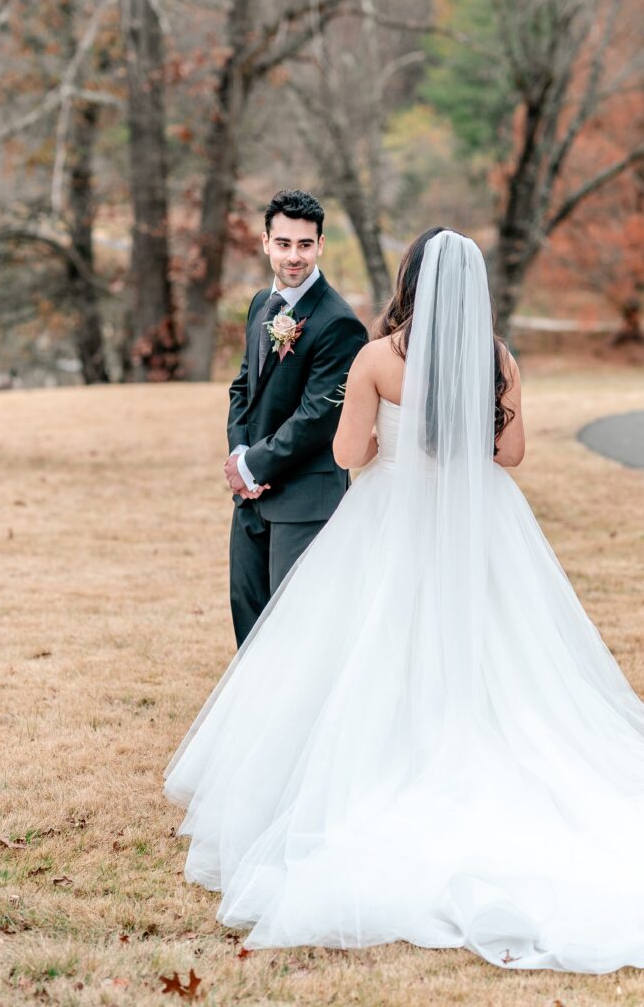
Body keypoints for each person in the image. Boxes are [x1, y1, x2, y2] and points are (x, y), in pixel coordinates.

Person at [165, 228, 644, 973]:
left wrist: (388, 439)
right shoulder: (498, 360)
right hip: (480, 523)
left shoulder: (379, 359)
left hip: (387, 519)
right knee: (497, 652)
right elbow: (509, 456)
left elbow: (348, 454)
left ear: (409, 281)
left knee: (370, 646)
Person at [224, 189, 367, 647]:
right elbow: (243, 388)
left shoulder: (338, 322)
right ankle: (253, 717)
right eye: (283, 243)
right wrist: (239, 454)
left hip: (305, 500)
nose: (294, 256)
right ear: (265, 243)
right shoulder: (259, 306)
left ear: (321, 245)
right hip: (251, 493)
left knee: (295, 630)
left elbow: (316, 418)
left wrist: (252, 467)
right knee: (247, 612)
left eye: (305, 244)